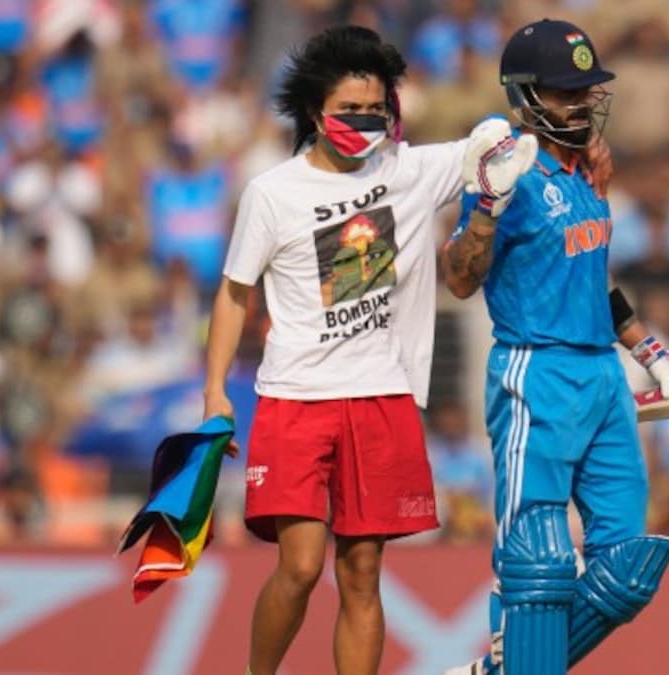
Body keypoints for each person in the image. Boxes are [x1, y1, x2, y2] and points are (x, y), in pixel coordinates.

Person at [201, 26, 536, 675]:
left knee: (362, 573)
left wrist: (507, 138)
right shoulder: (273, 193)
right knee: (298, 568)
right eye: (348, 111)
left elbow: (497, 143)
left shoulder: (410, 170)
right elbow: (233, 294)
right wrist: (215, 390)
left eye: (375, 111)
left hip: (382, 396)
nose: (363, 123)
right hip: (295, 398)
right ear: (312, 113)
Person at [442, 19, 669, 675]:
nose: (580, 102)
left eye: (585, 89)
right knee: (538, 561)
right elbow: (460, 278)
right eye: (563, 91)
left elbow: (593, 278)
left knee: (628, 567)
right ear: (526, 95)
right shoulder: (508, 173)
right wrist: (486, 207)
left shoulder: (588, 172)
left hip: (603, 376)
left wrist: (652, 352)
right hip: (536, 371)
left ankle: (495, 671)